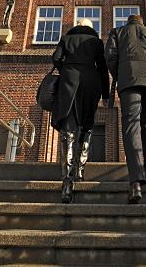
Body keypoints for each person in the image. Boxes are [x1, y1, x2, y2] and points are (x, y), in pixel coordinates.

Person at [105, 14, 146, 204]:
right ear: (142, 22)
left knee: (131, 126)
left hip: (129, 80)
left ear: (128, 22)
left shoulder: (118, 32)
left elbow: (110, 56)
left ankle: (136, 182)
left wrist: (119, 74)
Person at [51, 18, 109, 203]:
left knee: (68, 129)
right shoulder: (96, 42)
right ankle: (80, 170)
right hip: (91, 83)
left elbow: (56, 58)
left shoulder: (66, 39)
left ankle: (66, 179)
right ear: (91, 29)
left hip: (69, 81)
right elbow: (102, 67)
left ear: (77, 26)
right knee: (87, 125)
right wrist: (106, 94)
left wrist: (67, 69)